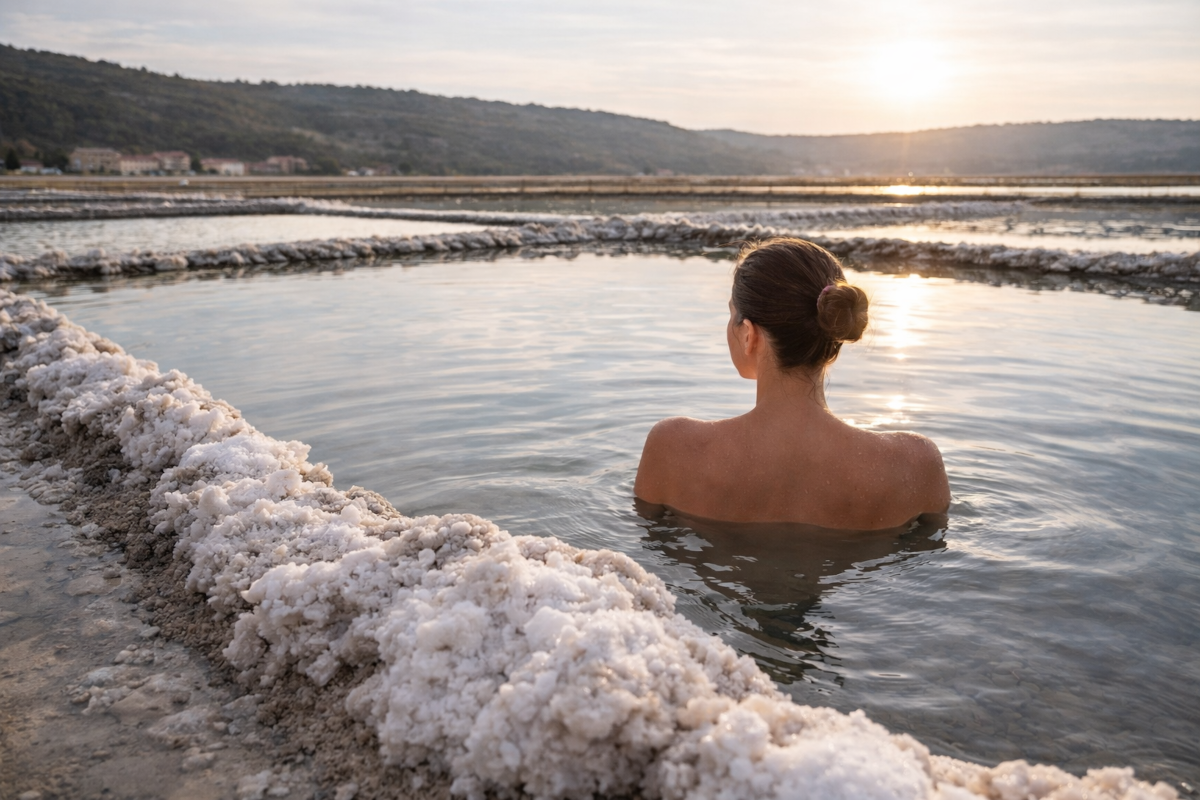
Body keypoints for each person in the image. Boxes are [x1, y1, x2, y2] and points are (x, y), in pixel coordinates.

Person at [634, 237, 950, 530]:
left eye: (731, 315)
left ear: (748, 335)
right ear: (835, 331)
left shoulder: (673, 448)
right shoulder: (915, 464)